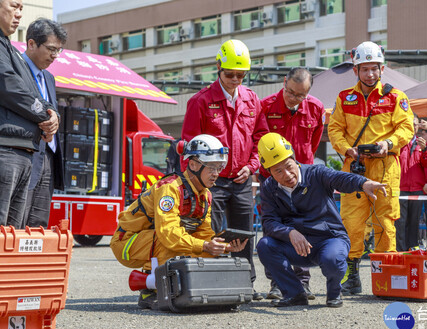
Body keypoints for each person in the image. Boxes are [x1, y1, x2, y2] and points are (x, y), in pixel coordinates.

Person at [110, 134, 247, 309]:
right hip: (126, 243)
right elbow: (168, 234)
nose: (216, 174)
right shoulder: (170, 188)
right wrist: (204, 245)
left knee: (205, 248)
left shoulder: (205, 196)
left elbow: (203, 234)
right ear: (193, 164)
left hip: (150, 240)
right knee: (167, 240)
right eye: (211, 167)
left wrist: (221, 247)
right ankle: (149, 291)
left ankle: (181, 287)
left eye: (219, 168)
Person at [181, 39, 269, 300]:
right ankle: (214, 281)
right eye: (229, 74)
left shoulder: (252, 99)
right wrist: (201, 179)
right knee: (213, 230)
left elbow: (261, 138)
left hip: (241, 179)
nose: (235, 79)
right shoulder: (201, 101)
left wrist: (252, 166)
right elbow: (190, 144)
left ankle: (247, 284)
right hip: (212, 182)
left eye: (240, 75)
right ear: (218, 68)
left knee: (244, 233)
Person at [256, 133, 386, 307]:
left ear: (295, 159)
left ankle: (334, 293)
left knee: (332, 259)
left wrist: (363, 183)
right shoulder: (269, 188)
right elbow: (269, 222)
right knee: (265, 246)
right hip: (298, 246)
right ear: (269, 172)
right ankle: (294, 293)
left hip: (329, 239)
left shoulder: (316, 173)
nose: (287, 174)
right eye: (278, 171)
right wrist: (290, 233)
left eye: (288, 166)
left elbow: (340, 178)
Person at [327, 41, 414, 295]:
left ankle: (386, 275)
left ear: (382, 68)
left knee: (385, 221)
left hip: (386, 167)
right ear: (356, 70)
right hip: (353, 168)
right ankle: (351, 275)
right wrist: (346, 149)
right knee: (351, 222)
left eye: (374, 68)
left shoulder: (396, 97)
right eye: (364, 69)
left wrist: (389, 143)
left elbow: (407, 128)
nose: (370, 74)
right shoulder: (344, 98)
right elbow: (334, 129)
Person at [259, 67, 324, 300]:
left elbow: (314, 142)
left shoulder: (315, 108)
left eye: (301, 95)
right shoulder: (265, 107)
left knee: (304, 227)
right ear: (284, 82)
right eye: (291, 92)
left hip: (302, 180)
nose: (295, 99)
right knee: (274, 228)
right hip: (273, 181)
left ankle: (303, 282)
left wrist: (301, 169)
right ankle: (277, 282)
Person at [0, 0, 59, 228]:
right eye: (14, 6)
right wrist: (46, 113)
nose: (18, 14)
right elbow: (10, 86)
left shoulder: (10, 50)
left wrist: (53, 115)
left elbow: (33, 92)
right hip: (7, 149)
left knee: (14, 235)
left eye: (21, 9)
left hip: (25, 149)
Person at [22, 18, 66, 228]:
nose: (55, 56)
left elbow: (51, 108)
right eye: (51, 49)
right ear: (31, 44)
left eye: (59, 50)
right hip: (25, 154)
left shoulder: (49, 77)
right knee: (18, 224)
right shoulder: (15, 70)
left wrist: (56, 116)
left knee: (38, 225)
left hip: (48, 155)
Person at [395, 114, 427, 251]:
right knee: (400, 221)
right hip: (401, 187)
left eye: (416, 124)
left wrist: (425, 150)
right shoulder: (398, 143)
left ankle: (412, 248)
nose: (413, 126)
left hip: (417, 188)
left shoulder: (422, 143)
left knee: (414, 221)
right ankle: (401, 250)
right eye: (411, 123)